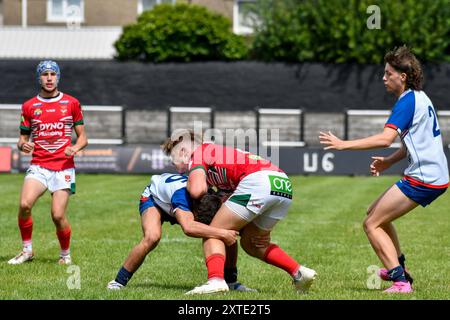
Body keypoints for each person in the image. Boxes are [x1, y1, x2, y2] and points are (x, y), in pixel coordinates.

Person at [319, 46, 448, 293]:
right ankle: (399, 267)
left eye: (388, 73)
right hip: (433, 175)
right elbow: (415, 142)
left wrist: (343, 144)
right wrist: (390, 161)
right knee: (374, 213)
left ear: (404, 75)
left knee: (371, 224)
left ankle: (400, 281)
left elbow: (385, 138)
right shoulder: (420, 97)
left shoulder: (407, 102)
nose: (384, 78)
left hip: (424, 178)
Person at [162, 131, 317, 295]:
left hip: (259, 181)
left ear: (183, 152)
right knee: (253, 243)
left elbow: (196, 190)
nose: (177, 169)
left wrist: (189, 185)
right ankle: (299, 273)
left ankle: (215, 280)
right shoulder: (217, 153)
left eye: (174, 161)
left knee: (213, 232)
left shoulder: (199, 153)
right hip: (281, 183)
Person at [107, 173, 256, 292]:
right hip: (154, 199)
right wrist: (222, 233)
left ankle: (231, 281)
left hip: (179, 203)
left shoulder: (210, 196)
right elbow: (189, 228)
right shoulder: (181, 197)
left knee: (224, 230)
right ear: (194, 211)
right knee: (152, 237)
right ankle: (118, 282)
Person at [8, 60, 88, 265]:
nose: (49, 78)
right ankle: (27, 250)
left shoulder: (71, 103)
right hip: (39, 165)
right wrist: (22, 145)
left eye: (53, 74)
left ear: (58, 76)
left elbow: (83, 138)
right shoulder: (29, 106)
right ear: (39, 77)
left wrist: (76, 148)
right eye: (45, 74)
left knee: (58, 215)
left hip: (63, 167)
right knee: (25, 204)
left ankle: (65, 255)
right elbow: (22, 139)